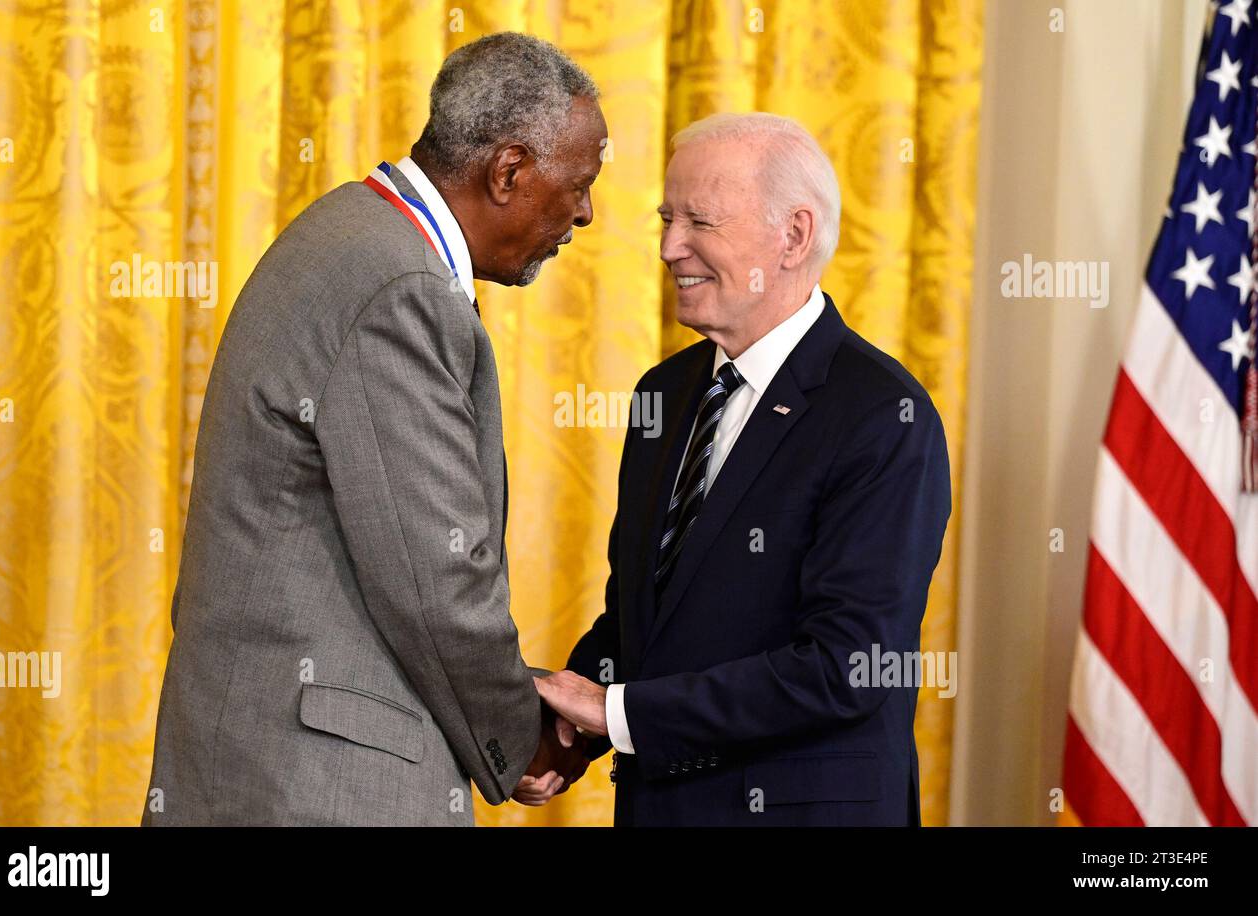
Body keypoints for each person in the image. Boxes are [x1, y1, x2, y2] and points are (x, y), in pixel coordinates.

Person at [142, 32, 604, 826]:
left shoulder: (343, 233)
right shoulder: (401, 289)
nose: (586, 214)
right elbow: (437, 584)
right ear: (509, 171)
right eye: (580, 184)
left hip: (256, 764)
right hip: (317, 791)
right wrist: (519, 734)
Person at [535, 112, 952, 826]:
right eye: (667, 218)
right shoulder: (661, 395)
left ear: (794, 236)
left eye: (700, 221)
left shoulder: (883, 416)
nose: (669, 247)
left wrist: (616, 711)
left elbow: (845, 666)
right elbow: (648, 619)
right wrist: (568, 731)